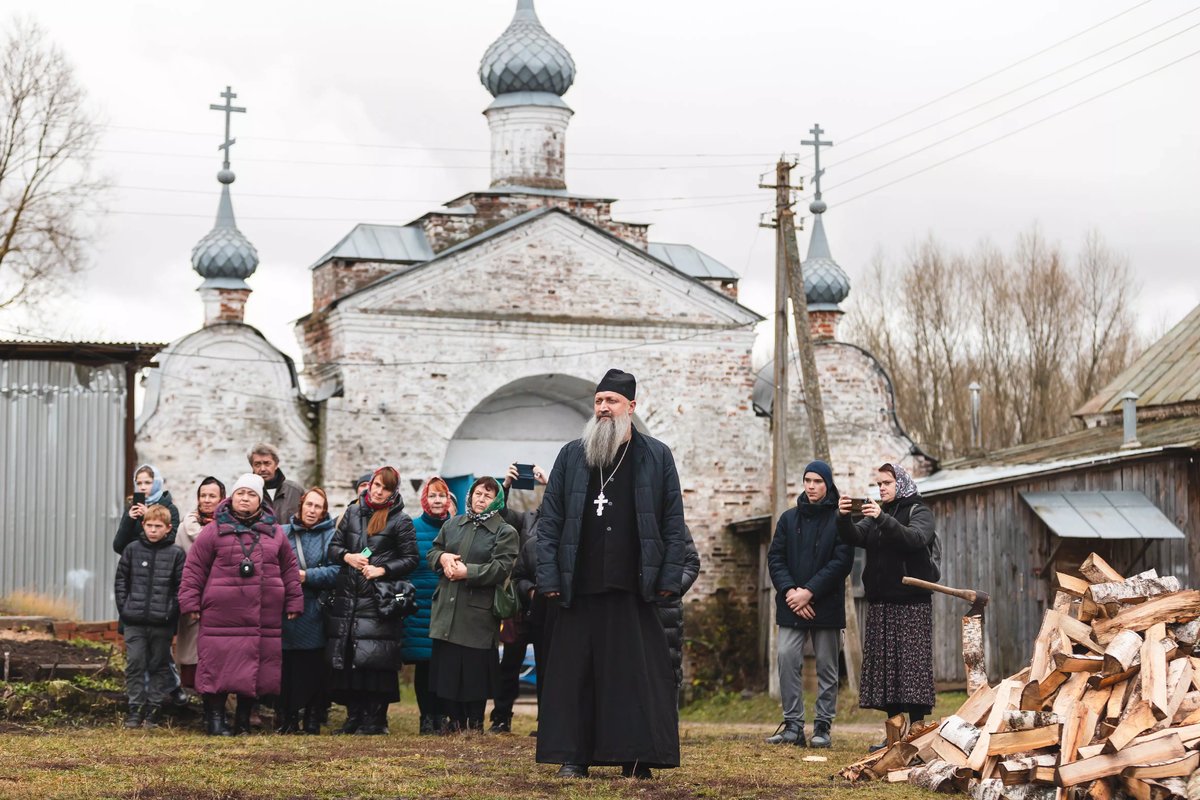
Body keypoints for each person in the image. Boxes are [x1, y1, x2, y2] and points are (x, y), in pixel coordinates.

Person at [536, 368, 691, 780]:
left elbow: (672, 523)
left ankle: (636, 757)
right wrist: (549, 578)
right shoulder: (572, 455)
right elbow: (549, 522)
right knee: (577, 677)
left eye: (612, 401)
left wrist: (668, 580)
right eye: (599, 401)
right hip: (580, 587)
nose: (603, 408)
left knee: (633, 680)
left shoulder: (656, 456)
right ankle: (574, 755)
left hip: (633, 588)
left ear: (631, 407)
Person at [177, 474, 304, 736]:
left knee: (254, 669)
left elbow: (289, 568)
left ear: (259, 500)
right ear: (231, 497)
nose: (244, 498)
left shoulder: (275, 532)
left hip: (262, 615)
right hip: (221, 613)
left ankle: (243, 722)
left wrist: (294, 600)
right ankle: (215, 720)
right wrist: (189, 601)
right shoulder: (213, 529)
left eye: (251, 494)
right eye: (240, 493)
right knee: (216, 666)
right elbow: (195, 567)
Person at [837, 461, 937, 750]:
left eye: (886, 483)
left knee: (911, 670)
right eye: (878, 483)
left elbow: (915, 539)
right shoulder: (877, 513)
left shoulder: (919, 511)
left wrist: (882, 518)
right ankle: (894, 736)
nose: (881, 488)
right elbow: (855, 537)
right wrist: (843, 517)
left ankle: (918, 734)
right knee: (888, 672)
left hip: (911, 602)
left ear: (900, 483)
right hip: (881, 603)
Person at [765, 460, 855, 749]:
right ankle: (792, 726)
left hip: (824, 605)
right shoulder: (788, 519)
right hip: (792, 604)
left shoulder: (840, 519)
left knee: (827, 666)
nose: (812, 486)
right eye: (807, 480)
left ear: (827, 484)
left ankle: (823, 727)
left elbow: (842, 562)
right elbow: (775, 558)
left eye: (817, 481)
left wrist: (810, 592)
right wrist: (792, 591)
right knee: (786, 656)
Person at [325, 466, 418, 736]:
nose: (377, 491)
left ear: (393, 492)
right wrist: (348, 557)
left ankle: (375, 719)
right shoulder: (353, 512)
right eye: (376, 485)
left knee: (375, 659)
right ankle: (353, 717)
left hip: (378, 601)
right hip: (349, 599)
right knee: (351, 658)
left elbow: (411, 559)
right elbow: (333, 548)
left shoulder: (400, 520)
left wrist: (383, 569)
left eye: (384, 488)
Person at [427, 476, 519, 733]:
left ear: (496, 501)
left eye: (488, 496)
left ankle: (474, 722)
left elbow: (502, 567)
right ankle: (453, 720)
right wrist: (443, 558)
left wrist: (469, 572)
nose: (481, 499)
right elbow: (433, 552)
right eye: (478, 493)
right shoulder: (454, 523)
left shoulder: (505, 531)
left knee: (474, 669)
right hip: (448, 605)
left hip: (477, 611)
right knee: (448, 667)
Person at [114, 504, 186, 729]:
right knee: (135, 663)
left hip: (162, 623)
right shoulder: (132, 550)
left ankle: (154, 710)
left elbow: (180, 588)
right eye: (149, 526)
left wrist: (170, 614)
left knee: (159, 665)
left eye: (158, 526)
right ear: (143, 525)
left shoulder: (176, 554)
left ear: (168, 528)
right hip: (134, 622)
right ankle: (135, 709)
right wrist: (125, 609)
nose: (153, 530)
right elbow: (121, 581)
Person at [491, 462, 548, 734]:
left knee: (550, 667)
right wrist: (506, 485)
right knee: (510, 664)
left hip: (551, 607)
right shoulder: (527, 519)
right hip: (520, 606)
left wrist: (549, 482)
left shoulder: (567, 526)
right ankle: (501, 718)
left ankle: (547, 722)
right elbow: (499, 513)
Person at [278, 487, 340, 734]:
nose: (312, 511)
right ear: (301, 506)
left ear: (324, 512)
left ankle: (313, 716)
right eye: (309, 505)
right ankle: (288, 717)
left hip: (315, 608)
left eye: (318, 507)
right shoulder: (283, 534)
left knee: (313, 667)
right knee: (286, 667)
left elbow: (337, 571)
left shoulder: (331, 536)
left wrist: (308, 576)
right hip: (285, 609)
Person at [401, 476, 456, 735]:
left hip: (447, 602)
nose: (437, 500)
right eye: (432, 496)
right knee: (424, 664)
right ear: (425, 499)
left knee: (443, 664)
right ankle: (426, 718)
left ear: (448, 500)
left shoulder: (456, 527)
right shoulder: (412, 527)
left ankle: (442, 716)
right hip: (420, 602)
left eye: (441, 496)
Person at [175, 477, 226, 691]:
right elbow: (178, 567)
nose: (206, 500)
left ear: (222, 499)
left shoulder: (229, 528)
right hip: (194, 598)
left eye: (212, 496)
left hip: (221, 599)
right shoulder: (184, 529)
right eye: (203, 495)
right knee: (192, 656)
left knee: (221, 656)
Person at [658, 529, 701, 697]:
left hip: (666, 610)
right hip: (630, 610)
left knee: (668, 673)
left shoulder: (672, 521)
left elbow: (691, 562)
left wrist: (672, 587)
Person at [113, 464, 181, 554]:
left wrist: (148, 515)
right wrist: (128, 519)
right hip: (134, 562)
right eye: (139, 483)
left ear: (157, 483)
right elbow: (118, 546)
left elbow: (170, 540)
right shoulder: (133, 507)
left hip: (159, 563)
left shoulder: (170, 508)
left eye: (148, 482)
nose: (143, 487)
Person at [248, 442, 305, 527]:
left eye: (267, 463)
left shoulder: (295, 491)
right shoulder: (245, 493)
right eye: (257, 464)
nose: (262, 469)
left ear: (276, 464)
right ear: (252, 466)